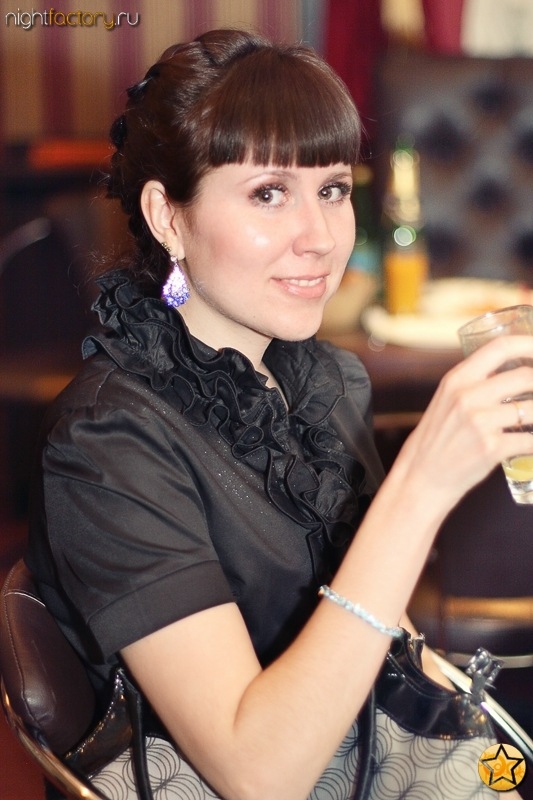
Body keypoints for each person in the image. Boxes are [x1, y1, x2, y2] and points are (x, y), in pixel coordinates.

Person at [26, 28, 532, 800]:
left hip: (367, 748)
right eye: (268, 193)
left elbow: (380, 635)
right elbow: (259, 775)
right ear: (167, 216)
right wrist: (421, 486)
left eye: (332, 189)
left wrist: (487, 748)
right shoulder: (105, 443)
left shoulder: (322, 380)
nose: (319, 239)